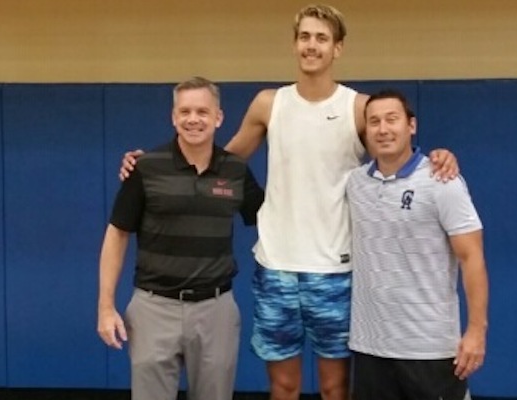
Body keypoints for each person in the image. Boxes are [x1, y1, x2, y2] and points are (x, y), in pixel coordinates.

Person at [119, 5, 461, 400]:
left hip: (335, 270)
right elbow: (218, 162)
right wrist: (151, 164)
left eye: (321, 38)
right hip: (277, 268)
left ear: (338, 48)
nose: (311, 46)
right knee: (283, 386)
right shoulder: (269, 103)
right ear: (294, 44)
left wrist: (438, 155)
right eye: (304, 37)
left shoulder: (356, 107)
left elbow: (395, 152)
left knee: (335, 388)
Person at [97, 76, 265, 400]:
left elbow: (268, 220)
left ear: (218, 117)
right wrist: (105, 307)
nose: (193, 119)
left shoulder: (235, 171)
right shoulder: (145, 168)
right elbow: (117, 234)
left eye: (202, 111)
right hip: (153, 309)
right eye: (185, 111)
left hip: (216, 311)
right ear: (173, 117)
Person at [346, 89, 488, 400]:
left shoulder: (442, 181)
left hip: (429, 348)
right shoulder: (355, 183)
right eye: (374, 122)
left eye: (392, 119)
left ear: (411, 125)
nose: (383, 129)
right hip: (370, 348)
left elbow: (471, 256)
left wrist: (476, 331)